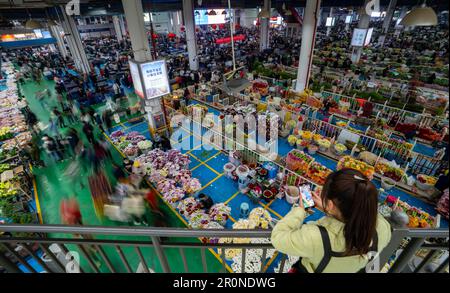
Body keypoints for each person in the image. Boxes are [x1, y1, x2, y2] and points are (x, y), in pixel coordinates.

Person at [271, 169, 392, 273]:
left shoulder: (317, 236)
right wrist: (331, 210)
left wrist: (300, 211)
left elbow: (278, 237)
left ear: (330, 204)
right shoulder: (382, 227)